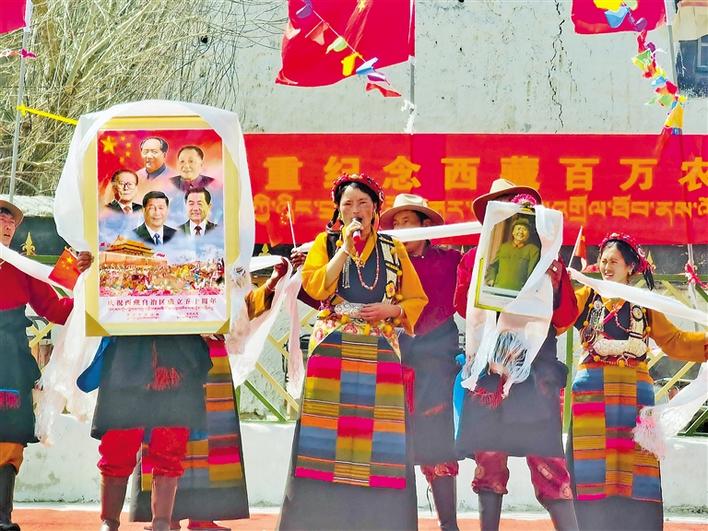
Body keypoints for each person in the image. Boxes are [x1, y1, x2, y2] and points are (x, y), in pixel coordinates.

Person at [278, 173, 428, 531]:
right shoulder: (326, 243)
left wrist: (391, 310)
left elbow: (416, 298)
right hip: (332, 350)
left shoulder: (393, 249)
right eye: (348, 204)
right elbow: (316, 286)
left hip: (380, 351)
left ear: (375, 209)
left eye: (363, 203)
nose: (356, 210)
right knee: (323, 440)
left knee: (380, 441)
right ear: (338, 211)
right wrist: (344, 248)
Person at [93, 259, 288, 531]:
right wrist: (88, 267)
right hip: (136, 355)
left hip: (189, 360)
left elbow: (238, 310)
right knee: (123, 441)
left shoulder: (212, 254)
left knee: (179, 446)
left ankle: (176, 520)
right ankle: (121, 521)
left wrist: (269, 285)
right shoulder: (127, 250)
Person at [453, 178, 579, 531]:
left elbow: (566, 317)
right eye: (504, 206)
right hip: (491, 373)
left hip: (535, 372)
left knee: (549, 463)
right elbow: (462, 306)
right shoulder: (474, 259)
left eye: (519, 208)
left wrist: (554, 284)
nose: (513, 215)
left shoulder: (549, 260)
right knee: (489, 462)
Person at [567, 233, 708, 531]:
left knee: (636, 469)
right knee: (592, 467)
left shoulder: (643, 304)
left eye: (614, 262)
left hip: (634, 397)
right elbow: (559, 318)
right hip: (592, 396)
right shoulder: (586, 296)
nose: (606, 267)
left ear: (630, 267)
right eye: (603, 261)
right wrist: (555, 286)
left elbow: (675, 341)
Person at [0, 199, 92, 531]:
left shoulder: (24, 267)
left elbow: (54, 308)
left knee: (9, 436)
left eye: (11, 221)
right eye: (1, 218)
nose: (7, 225)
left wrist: (89, 293)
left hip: (9, 360)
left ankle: (1, 516)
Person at [379, 193, 462, 531]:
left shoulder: (451, 261)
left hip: (435, 366)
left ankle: (448, 524)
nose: (401, 230)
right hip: (393, 362)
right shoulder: (383, 263)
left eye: (408, 222)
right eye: (396, 224)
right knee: (391, 447)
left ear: (425, 226)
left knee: (438, 443)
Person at [485, 217, 540, 291]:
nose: (521, 232)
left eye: (524, 229)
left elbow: (532, 273)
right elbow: (493, 266)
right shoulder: (504, 247)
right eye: (518, 229)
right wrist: (491, 279)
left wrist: (527, 289)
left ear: (528, 234)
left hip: (518, 292)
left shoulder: (533, 250)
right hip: (498, 289)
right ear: (513, 232)